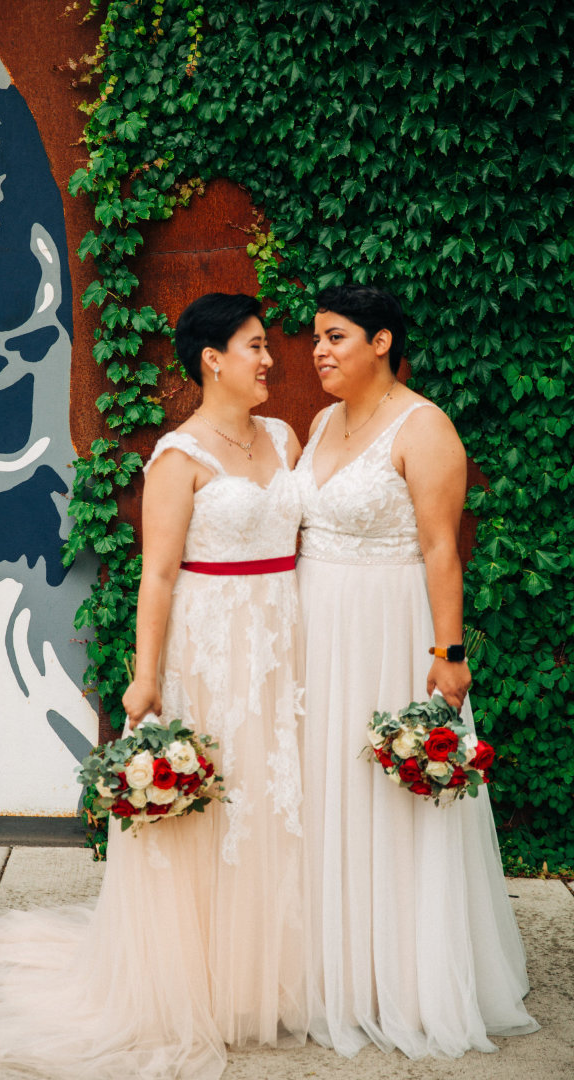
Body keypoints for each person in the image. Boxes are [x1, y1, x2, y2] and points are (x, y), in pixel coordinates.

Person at [0, 293, 310, 1080]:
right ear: (212, 359)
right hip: (212, 651)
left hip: (283, 643)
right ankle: (196, 981)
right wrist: (146, 680)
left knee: (275, 804)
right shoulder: (180, 457)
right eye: (254, 346)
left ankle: (264, 974)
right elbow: (159, 577)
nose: (270, 359)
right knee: (213, 807)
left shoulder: (284, 436)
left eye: (265, 346)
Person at [296, 284, 538, 1058]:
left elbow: (442, 550)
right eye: (315, 339)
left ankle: (404, 973)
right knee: (326, 787)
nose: (319, 352)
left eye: (335, 336)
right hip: (316, 631)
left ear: (382, 342)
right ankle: (333, 966)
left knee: (388, 796)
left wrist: (449, 655)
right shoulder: (319, 421)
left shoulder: (426, 427)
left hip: (388, 630)